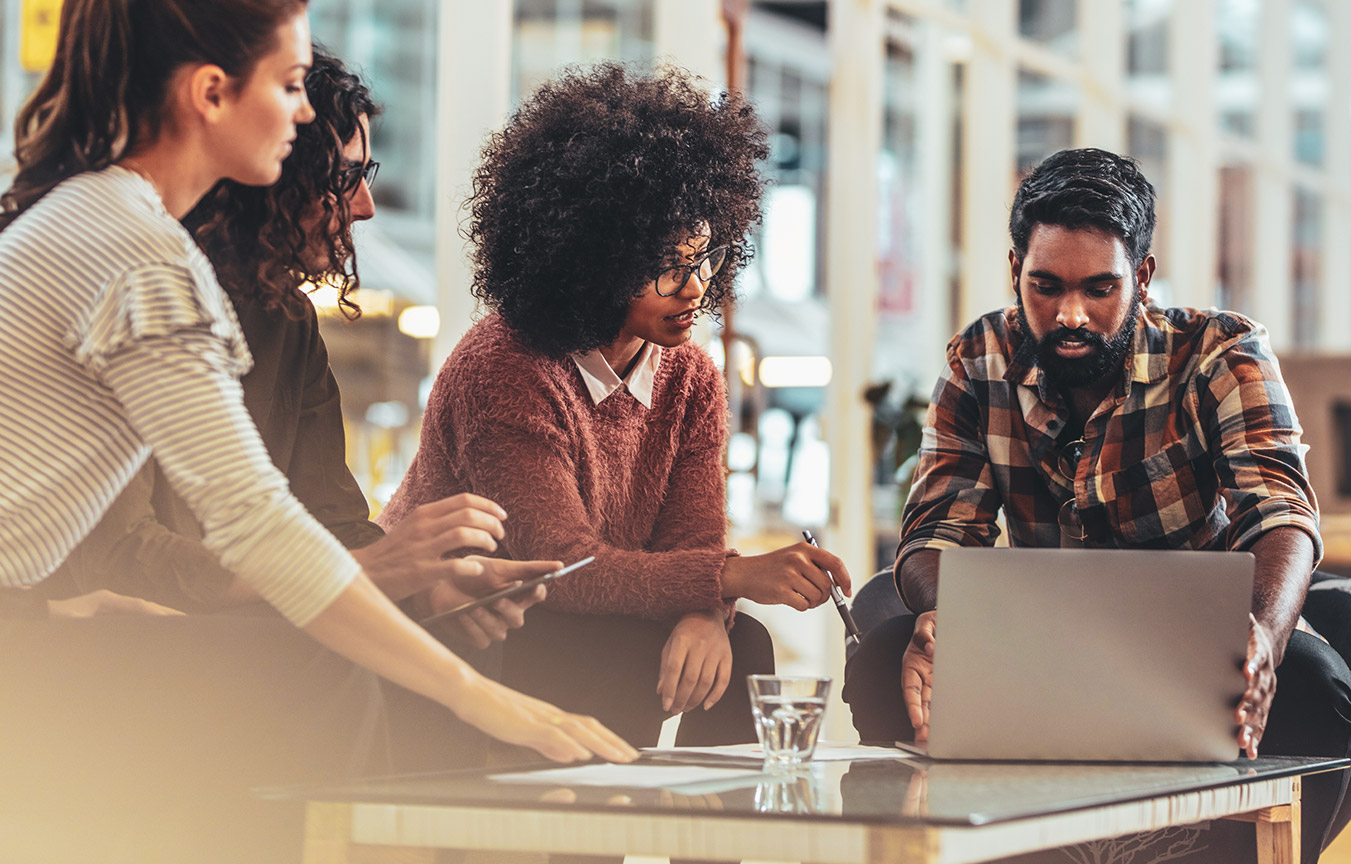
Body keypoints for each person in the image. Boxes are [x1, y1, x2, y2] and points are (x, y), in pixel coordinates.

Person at [0, 0, 633, 775]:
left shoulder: (99, 217)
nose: (302, 113)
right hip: (26, 650)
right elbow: (256, 524)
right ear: (210, 93)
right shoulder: (140, 261)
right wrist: (476, 696)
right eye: (292, 83)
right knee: (322, 671)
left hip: (29, 629)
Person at [841, 148, 1351, 864]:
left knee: (1313, 683)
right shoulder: (978, 359)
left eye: (1099, 289)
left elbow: (1280, 515)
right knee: (882, 663)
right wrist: (946, 618)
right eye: (1045, 286)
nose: (1070, 315)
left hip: (1191, 648)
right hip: (1033, 642)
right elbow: (937, 529)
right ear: (1014, 267)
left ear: (1141, 277)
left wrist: (1263, 639)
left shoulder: (1220, 352)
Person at [382, 63, 852, 750]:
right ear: (593, 259)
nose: (696, 289)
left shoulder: (689, 376)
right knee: (599, 651)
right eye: (668, 266)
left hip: (577, 622)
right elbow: (562, 567)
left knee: (739, 647)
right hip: (473, 630)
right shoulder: (506, 367)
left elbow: (690, 544)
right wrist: (734, 576)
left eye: (707, 259)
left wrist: (705, 612)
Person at [43, 47, 536, 654]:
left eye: (366, 174)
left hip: (230, 651)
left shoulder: (288, 318)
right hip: (100, 657)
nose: (365, 206)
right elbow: (120, 555)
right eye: (344, 178)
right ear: (269, 173)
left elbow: (330, 520)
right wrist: (359, 575)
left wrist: (430, 586)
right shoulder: (122, 296)